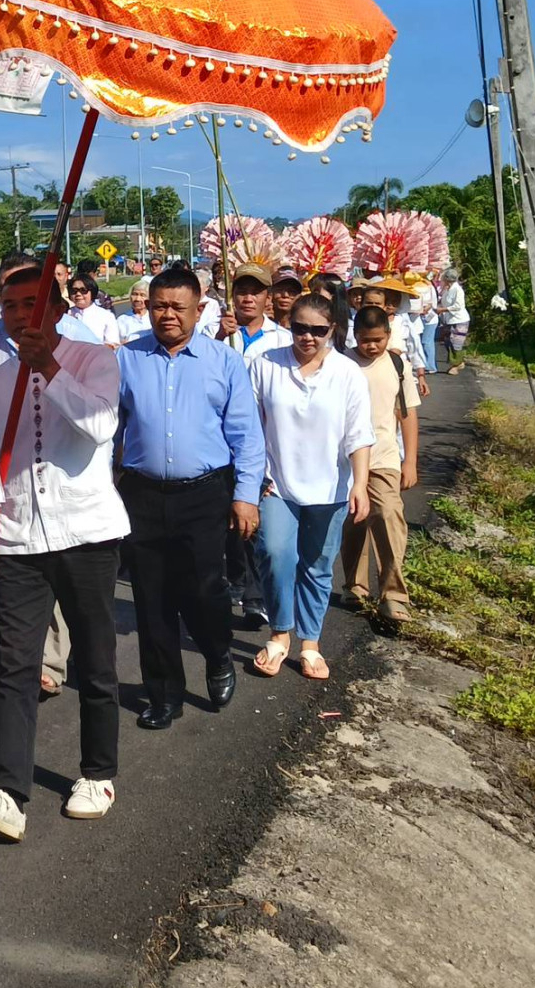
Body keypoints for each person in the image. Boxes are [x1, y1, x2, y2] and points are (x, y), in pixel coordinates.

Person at [0, 261, 127, 842]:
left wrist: (49, 367)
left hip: (86, 532)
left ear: (59, 308)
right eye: (10, 307)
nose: (20, 316)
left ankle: (97, 772)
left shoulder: (97, 360)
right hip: (18, 538)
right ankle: (10, 790)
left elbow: (98, 427)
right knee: (15, 667)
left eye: (31, 304)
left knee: (96, 658)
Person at [116, 265, 267, 729]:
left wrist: (246, 497)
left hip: (204, 495)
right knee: (152, 597)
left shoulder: (223, 363)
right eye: (159, 305)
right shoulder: (127, 359)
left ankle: (217, 654)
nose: (167, 315)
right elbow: (110, 428)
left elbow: (246, 435)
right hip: (142, 494)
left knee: (204, 590)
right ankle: (164, 694)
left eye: (178, 307)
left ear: (199, 310)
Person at [245, 292, 374, 681]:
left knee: (318, 564)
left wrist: (361, 484)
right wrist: (251, 477)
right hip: (276, 483)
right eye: (300, 328)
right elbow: (249, 425)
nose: (308, 337)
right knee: (275, 552)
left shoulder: (347, 373)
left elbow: (359, 433)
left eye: (318, 330)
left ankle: (310, 642)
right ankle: (280, 633)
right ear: (289, 326)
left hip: (329, 485)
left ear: (332, 329)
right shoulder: (266, 364)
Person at [339, 304, 421, 623]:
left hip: (385, 456)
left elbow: (407, 413)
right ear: (354, 336)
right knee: (353, 524)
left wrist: (410, 460)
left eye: (377, 339)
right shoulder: (342, 364)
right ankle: (355, 586)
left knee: (388, 515)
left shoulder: (398, 364)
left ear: (388, 334)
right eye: (364, 339)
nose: (371, 346)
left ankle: (394, 594)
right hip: (346, 459)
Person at [222, 264, 288, 628]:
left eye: (256, 291)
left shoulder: (280, 339)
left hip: (260, 440)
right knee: (225, 518)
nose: (248, 297)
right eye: (242, 290)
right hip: (218, 440)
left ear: (267, 298)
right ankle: (234, 580)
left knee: (254, 519)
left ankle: (255, 595)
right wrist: (218, 335)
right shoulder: (213, 332)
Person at [65, 273, 121, 345]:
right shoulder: (65, 315)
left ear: (92, 292)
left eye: (83, 290)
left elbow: (113, 344)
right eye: (74, 291)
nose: (78, 294)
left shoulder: (106, 316)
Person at [438, 269, 469, 373]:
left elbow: (458, 306)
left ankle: (456, 363)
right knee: (447, 341)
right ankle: (456, 362)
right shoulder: (447, 289)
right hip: (449, 319)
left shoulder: (457, 290)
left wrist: (443, 309)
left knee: (456, 342)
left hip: (459, 319)